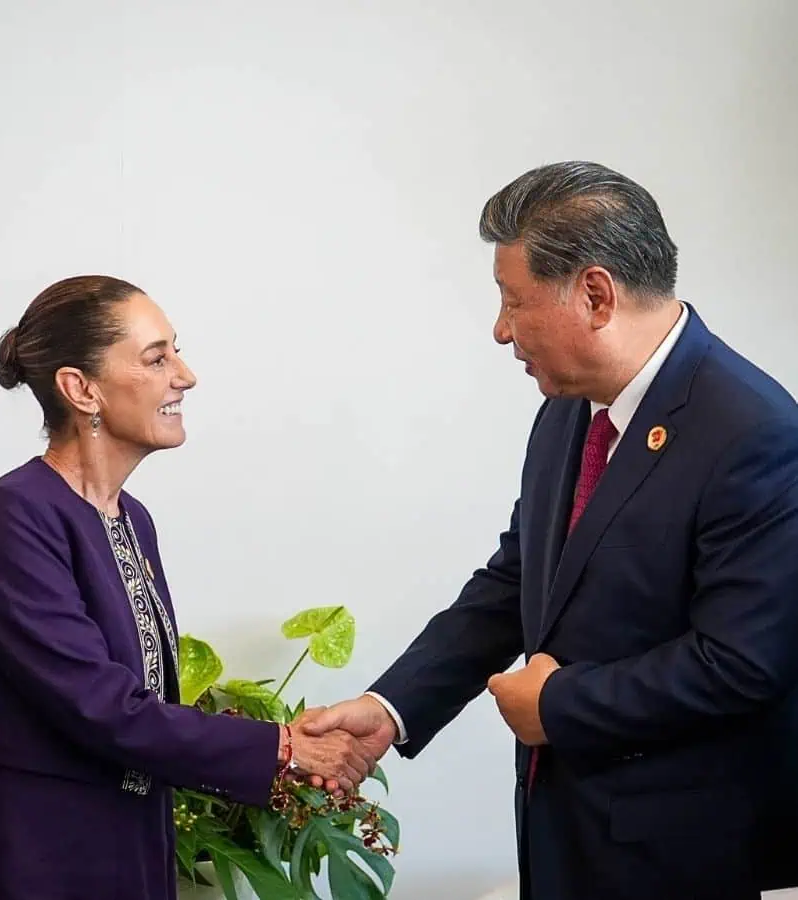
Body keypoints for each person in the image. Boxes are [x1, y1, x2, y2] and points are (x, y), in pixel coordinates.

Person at [302, 161, 798, 900]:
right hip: (561, 831)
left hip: (676, 852)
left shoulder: (753, 430)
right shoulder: (569, 408)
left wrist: (559, 705)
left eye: (514, 302)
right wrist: (392, 708)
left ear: (595, 295)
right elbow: (517, 580)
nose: (501, 330)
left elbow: (741, 662)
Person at [0, 275, 375, 900]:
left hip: (133, 840)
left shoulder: (131, 518)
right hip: (40, 853)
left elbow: (147, 700)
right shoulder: (14, 517)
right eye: (157, 358)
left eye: (176, 350)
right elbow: (98, 706)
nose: (186, 375)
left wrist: (280, 752)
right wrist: (283, 749)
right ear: (81, 389)